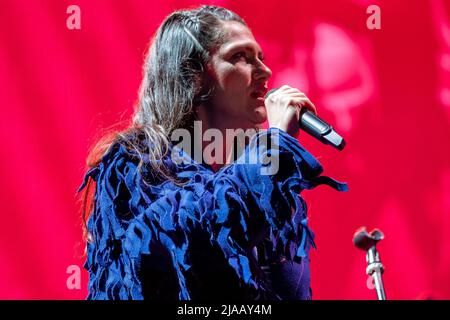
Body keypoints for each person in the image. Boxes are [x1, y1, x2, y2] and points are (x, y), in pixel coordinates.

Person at [78, 5, 347, 300]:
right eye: (240, 56)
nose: (265, 70)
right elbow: (199, 242)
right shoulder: (136, 166)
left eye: (261, 57)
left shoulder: (262, 178)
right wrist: (274, 144)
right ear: (192, 75)